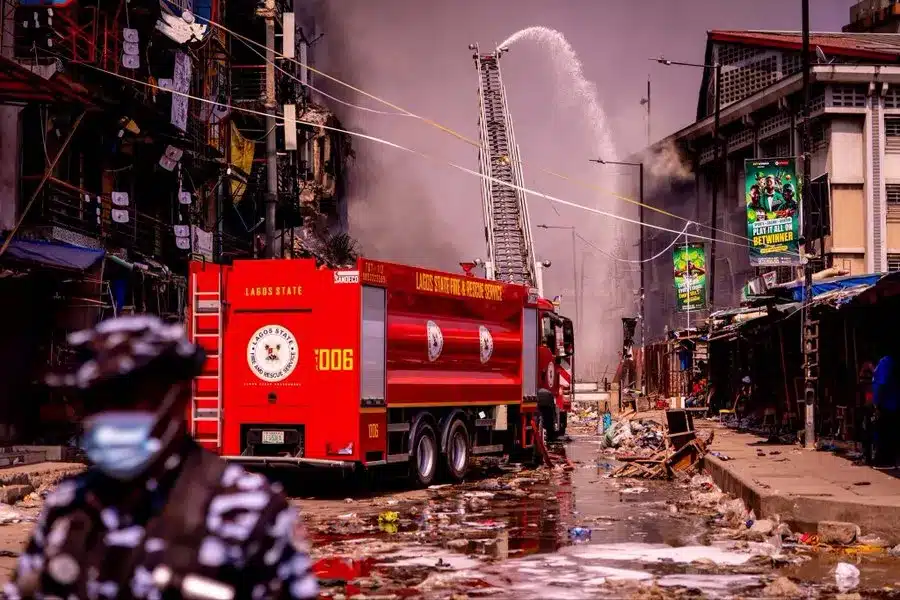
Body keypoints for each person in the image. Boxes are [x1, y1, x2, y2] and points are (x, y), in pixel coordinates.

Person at [5, 315, 318, 599]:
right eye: (96, 401)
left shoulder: (252, 512)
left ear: (178, 398)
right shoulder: (69, 506)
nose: (109, 415)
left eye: (127, 398)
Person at [873, 351, 900, 469]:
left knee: (885, 431)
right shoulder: (891, 362)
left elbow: (881, 384)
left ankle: (885, 460)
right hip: (894, 402)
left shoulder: (885, 362)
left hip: (888, 404)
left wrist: (876, 403)